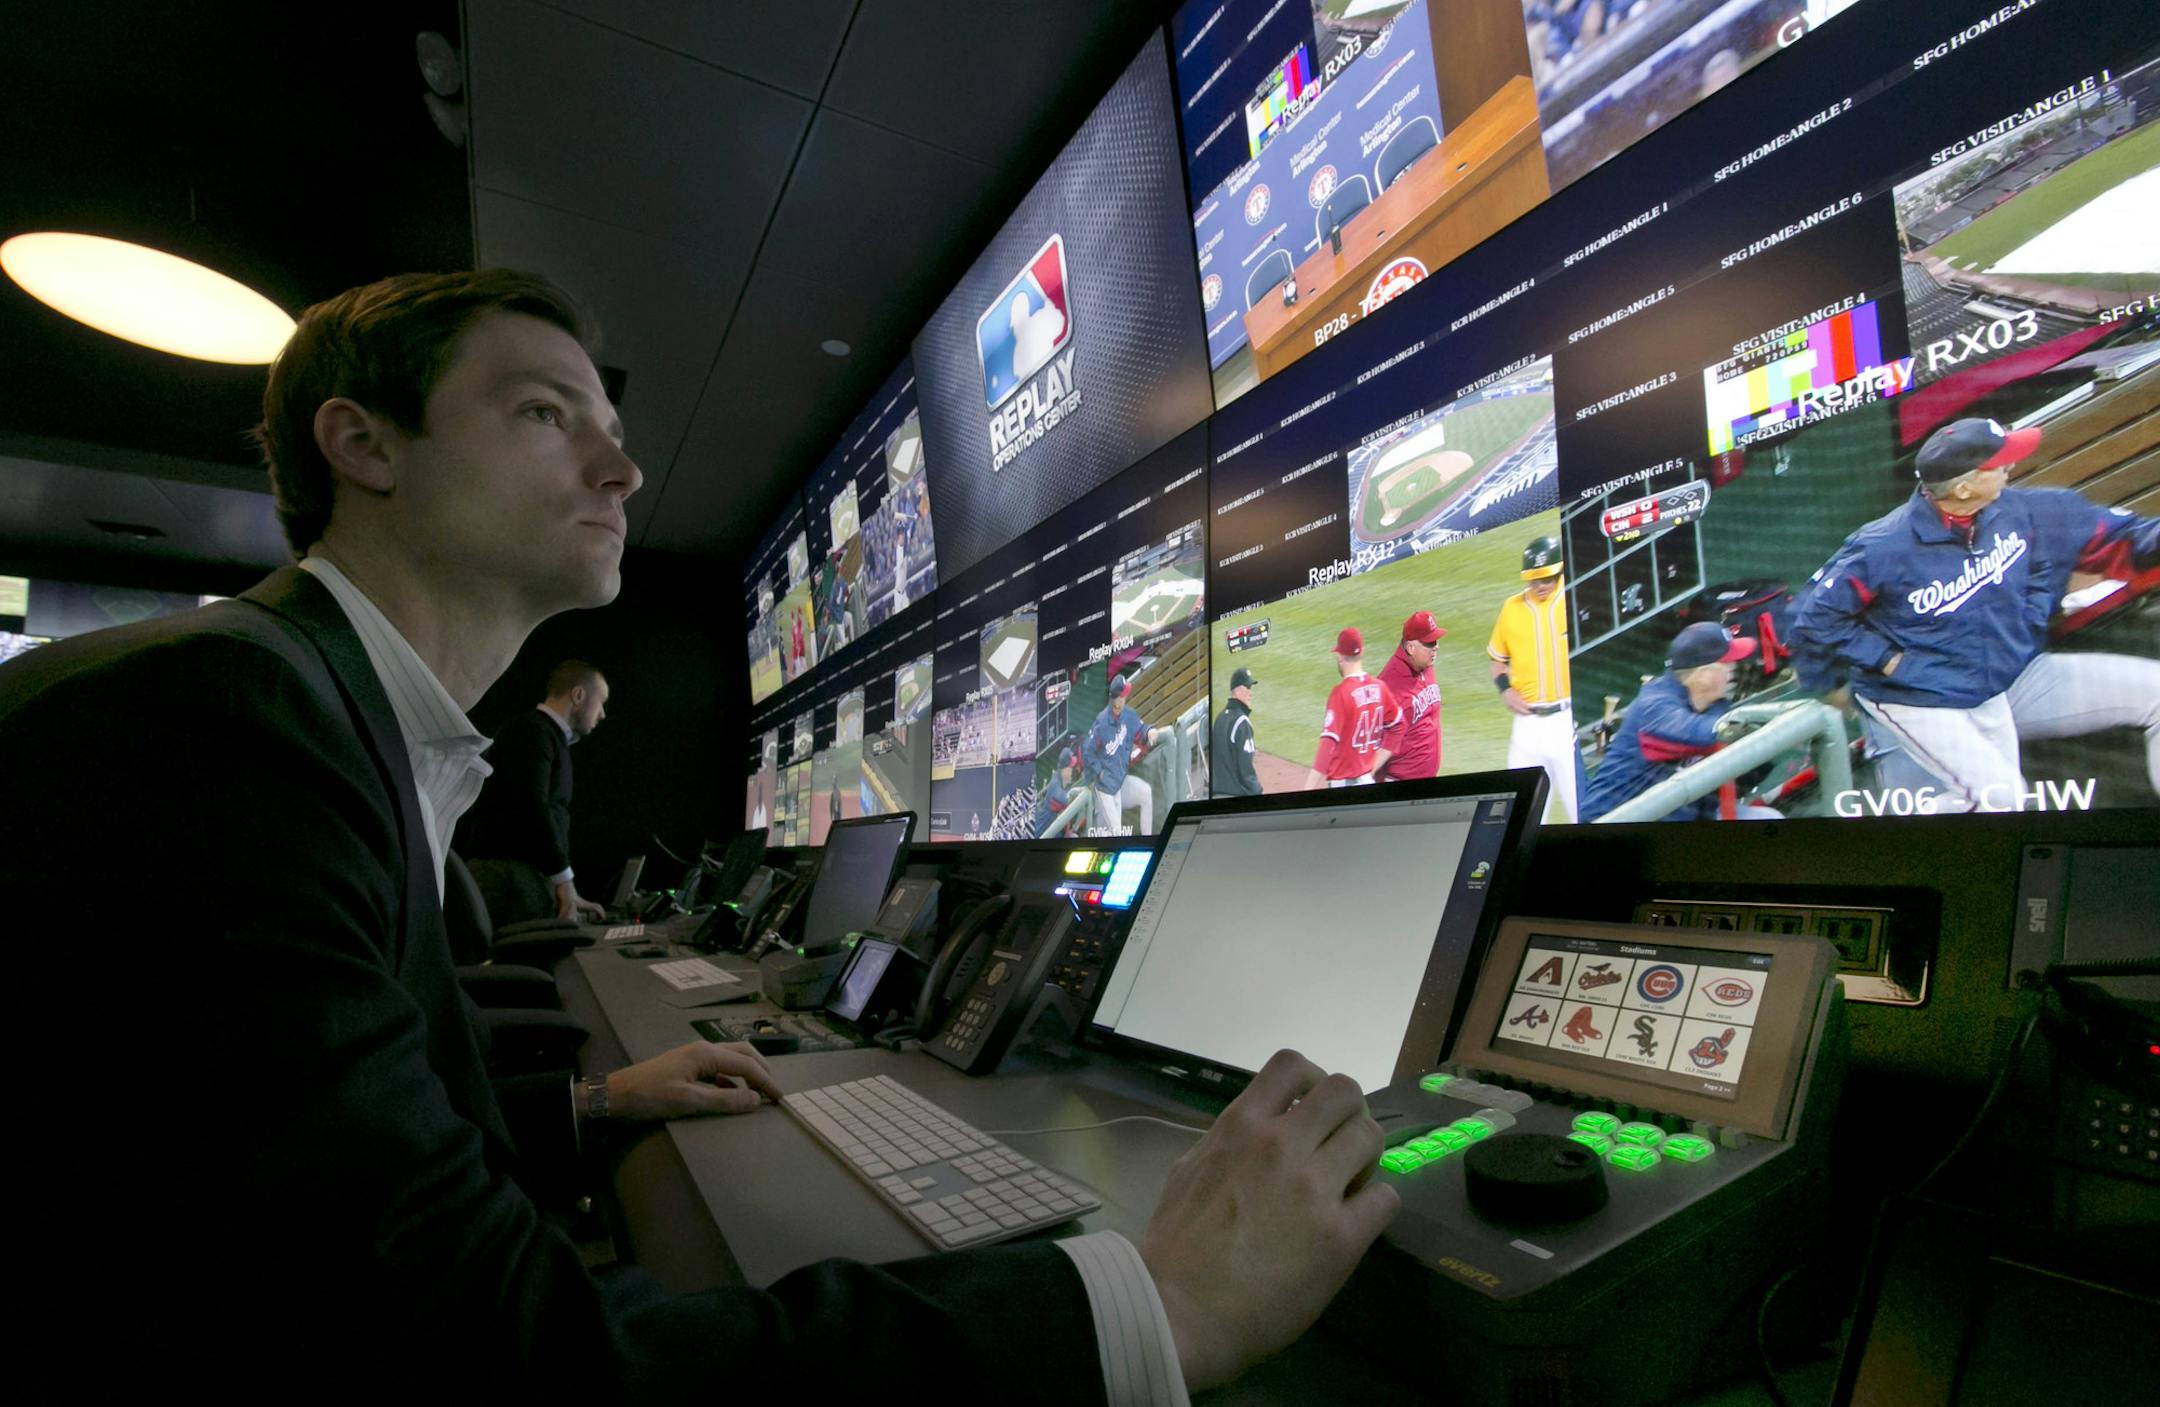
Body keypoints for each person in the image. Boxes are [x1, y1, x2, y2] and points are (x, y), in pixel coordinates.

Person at [0, 270, 1398, 1398]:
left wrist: (593, 1102)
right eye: (548, 413)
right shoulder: (221, 723)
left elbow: (288, 1160)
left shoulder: (319, 714)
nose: (621, 465)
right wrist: (1157, 1308)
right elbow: (479, 1352)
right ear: (363, 443)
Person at [1789, 416, 2160, 812]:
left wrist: (2029, 617)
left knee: (2004, 800)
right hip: (1919, 697)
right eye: (1998, 465)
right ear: (1963, 488)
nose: (2011, 467)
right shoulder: (1882, 546)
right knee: (1999, 799)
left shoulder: (2020, 512)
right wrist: (1881, 663)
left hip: (1998, 682)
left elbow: (2117, 543)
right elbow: (1813, 620)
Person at [457, 658, 611, 922]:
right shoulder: (532, 731)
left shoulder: (542, 735)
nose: (602, 714)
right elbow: (531, 806)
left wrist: (566, 886)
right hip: (511, 884)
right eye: (602, 702)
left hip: (518, 881)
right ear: (578, 695)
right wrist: (564, 882)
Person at [1580, 623, 1783, 821]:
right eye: (1726, 664)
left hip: (1683, 813)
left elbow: (1738, 777)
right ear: (1704, 675)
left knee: (1770, 818)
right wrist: (1734, 732)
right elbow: (1696, 732)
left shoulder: (1715, 706)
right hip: (1612, 820)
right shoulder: (1654, 707)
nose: (1733, 669)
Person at [1488, 536, 1579, 821]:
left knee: (1582, 811)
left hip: (1566, 720)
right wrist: (1505, 690)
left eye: (1548, 579)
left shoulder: (1572, 599)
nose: (1541, 586)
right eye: (1535, 580)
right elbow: (1497, 660)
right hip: (1527, 727)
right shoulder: (1511, 608)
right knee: (1520, 818)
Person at [1306, 627, 1403, 788]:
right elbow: (1398, 727)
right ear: (1362, 652)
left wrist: (1307, 789)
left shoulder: (1341, 693)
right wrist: (1371, 768)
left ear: (1339, 656)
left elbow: (1327, 745)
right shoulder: (1380, 687)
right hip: (1367, 782)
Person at [1084, 674, 1172, 835]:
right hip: (1105, 791)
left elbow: (1141, 730)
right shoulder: (1102, 723)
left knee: (1146, 792)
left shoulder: (1128, 715)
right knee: (1116, 834)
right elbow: (1088, 752)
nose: (1125, 698)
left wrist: (1150, 731)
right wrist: (1100, 772)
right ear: (1117, 700)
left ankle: (1148, 840)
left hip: (1119, 782)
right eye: (1123, 696)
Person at [1375, 610, 1444, 781]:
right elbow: (1373, 744)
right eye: (1430, 643)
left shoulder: (1424, 664)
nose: (1436, 647)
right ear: (1411, 647)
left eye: (1435, 640)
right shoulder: (1389, 687)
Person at [1211, 667, 1263, 797]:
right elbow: (1246, 771)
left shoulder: (1220, 718)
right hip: (1235, 798)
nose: (1251, 693)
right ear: (1238, 690)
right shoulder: (1242, 722)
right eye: (1248, 688)